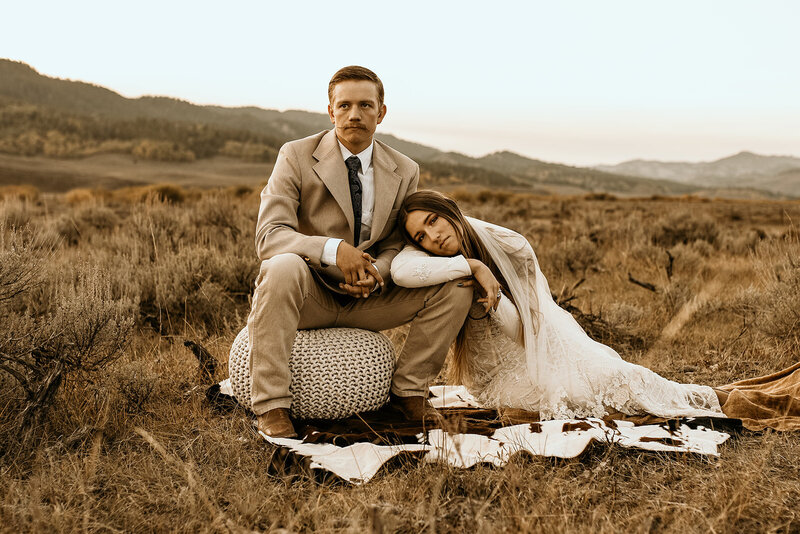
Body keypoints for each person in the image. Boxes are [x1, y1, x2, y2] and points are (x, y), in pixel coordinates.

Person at [248, 68, 473, 438]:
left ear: (381, 112)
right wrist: (335, 251)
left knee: (456, 282)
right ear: (330, 111)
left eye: (365, 105)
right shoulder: (295, 156)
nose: (354, 114)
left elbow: (400, 242)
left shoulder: (405, 169)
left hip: (372, 296)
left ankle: (409, 393)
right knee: (281, 266)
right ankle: (272, 404)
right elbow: (270, 236)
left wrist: (379, 272)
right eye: (345, 105)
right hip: (310, 293)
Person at [392, 190, 732, 421]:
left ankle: (716, 398)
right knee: (574, 397)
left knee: (618, 379)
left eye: (433, 221)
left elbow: (526, 331)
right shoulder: (436, 260)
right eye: (420, 236)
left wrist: (495, 301)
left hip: (531, 353)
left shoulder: (510, 246)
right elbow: (399, 270)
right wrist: (472, 267)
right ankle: (708, 398)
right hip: (492, 379)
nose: (432, 237)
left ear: (449, 211)